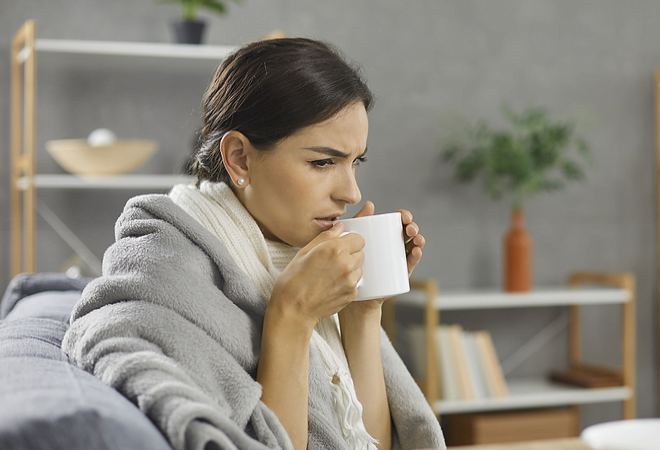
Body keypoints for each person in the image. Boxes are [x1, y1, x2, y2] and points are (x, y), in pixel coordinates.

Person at [62, 37, 445, 450]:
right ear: (240, 158)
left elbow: (371, 445)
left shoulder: (302, 249)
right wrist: (291, 315)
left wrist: (362, 310)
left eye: (356, 162)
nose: (351, 193)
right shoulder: (168, 262)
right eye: (323, 162)